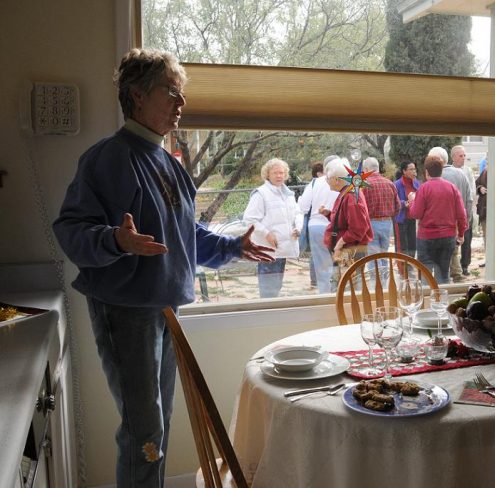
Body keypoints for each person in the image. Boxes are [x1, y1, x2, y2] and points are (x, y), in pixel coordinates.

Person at [52, 48, 273, 488]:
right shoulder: (107, 159)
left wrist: (232, 247)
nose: (181, 103)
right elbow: (70, 229)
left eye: (181, 93)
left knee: (158, 422)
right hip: (125, 312)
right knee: (144, 430)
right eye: (171, 92)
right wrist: (115, 239)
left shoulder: (169, 162)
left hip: (166, 310)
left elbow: (185, 235)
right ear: (136, 97)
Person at [243, 158, 304, 298]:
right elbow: (249, 219)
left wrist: (298, 228)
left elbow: (298, 213)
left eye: (282, 173)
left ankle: (272, 313)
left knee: (276, 285)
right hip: (267, 250)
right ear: (267, 174)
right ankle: (266, 314)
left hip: (282, 249)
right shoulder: (261, 194)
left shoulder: (288, 194)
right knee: (268, 288)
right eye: (275, 173)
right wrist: (267, 234)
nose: (279, 176)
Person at [408, 155, 468, 284]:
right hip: (448, 238)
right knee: (444, 275)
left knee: (425, 275)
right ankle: (442, 303)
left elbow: (415, 214)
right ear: (441, 170)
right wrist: (461, 234)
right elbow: (462, 214)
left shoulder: (423, 188)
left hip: (426, 238)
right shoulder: (452, 188)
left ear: (427, 172)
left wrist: (412, 201)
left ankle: (428, 302)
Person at [321, 158, 373, 272]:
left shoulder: (350, 196)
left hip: (350, 250)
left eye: (328, 179)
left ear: (337, 180)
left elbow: (358, 228)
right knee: (342, 284)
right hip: (347, 249)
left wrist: (339, 244)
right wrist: (329, 214)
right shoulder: (346, 193)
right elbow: (345, 220)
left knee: (348, 285)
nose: (327, 181)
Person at [429, 146, 471, 282]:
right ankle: (457, 277)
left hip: (440, 226)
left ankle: (447, 282)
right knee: (453, 252)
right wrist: (465, 223)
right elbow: (469, 200)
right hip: (458, 222)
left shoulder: (434, 177)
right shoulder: (461, 174)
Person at [298, 155, 340, 293]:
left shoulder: (315, 183)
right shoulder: (342, 182)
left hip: (316, 226)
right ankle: (337, 292)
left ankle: (324, 294)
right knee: (338, 261)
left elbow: (303, 206)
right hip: (337, 225)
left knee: (322, 265)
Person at [362, 157, 400, 257]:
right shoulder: (390, 184)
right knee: (384, 255)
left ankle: (376, 273)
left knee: (373, 258)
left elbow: (359, 208)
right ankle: (384, 273)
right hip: (387, 223)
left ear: (366, 169)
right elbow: (398, 206)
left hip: (371, 224)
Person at [451, 145, 476, 275]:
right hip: (453, 213)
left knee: (467, 239)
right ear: (453, 157)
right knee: (454, 241)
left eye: (464, 155)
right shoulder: (449, 172)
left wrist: (470, 212)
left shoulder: (468, 171)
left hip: (466, 211)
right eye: (461, 155)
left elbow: (472, 191)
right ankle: (453, 267)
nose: (463, 158)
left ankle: (465, 265)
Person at [301, 161, 324, 289]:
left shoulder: (312, 185)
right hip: (326, 223)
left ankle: (315, 281)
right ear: (319, 173)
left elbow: (303, 206)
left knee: (315, 253)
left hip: (314, 223)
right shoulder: (328, 183)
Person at [393, 161, 421, 258]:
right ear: (404, 171)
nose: (414, 171)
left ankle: (410, 266)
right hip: (401, 219)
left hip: (413, 218)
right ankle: (403, 268)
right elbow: (393, 202)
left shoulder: (417, 183)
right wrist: (404, 203)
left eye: (414, 169)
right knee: (402, 246)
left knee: (412, 244)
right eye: (411, 169)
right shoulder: (397, 184)